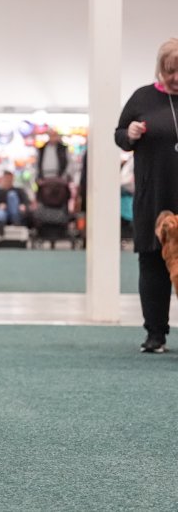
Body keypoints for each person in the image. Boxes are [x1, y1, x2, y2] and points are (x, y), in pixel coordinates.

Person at [115, 37, 178, 353]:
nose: (176, 77)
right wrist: (130, 134)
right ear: (160, 69)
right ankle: (155, 333)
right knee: (152, 263)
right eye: (170, 70)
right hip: (153, 195)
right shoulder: (142, 98)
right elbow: (119, 135)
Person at [0, 170, 31, 235]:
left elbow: (27, 202)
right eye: (6, 179)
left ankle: (16, 222)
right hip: (1, 213)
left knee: (12, 195)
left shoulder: (19, 191)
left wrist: (23, 206)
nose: (8, 181)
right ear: (2, 179)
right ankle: (0, 225)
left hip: (16, 213)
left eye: (10, 180)